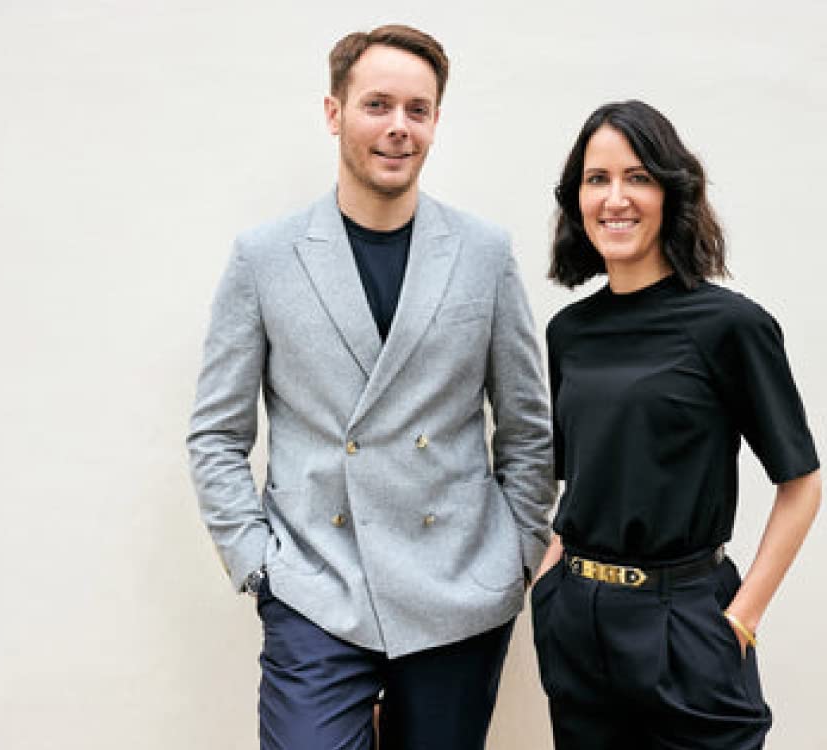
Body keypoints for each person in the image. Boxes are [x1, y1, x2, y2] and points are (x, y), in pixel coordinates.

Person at [188, 24, 555, 750]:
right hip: (316, 585)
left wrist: (516, 551)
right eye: (377, 104)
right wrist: (258, 566)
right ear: (335, 113)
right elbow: (216, 434)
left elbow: (527, 426)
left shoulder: (483, 253)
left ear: (436, 122)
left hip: (459, 587)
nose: (398, 127)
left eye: (418, 110)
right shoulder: (265, 257)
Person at [531, 99, 821, 750]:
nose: (615, 198)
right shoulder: (568, 333)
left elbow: (802, 484)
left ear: (671, 191)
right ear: (577, 200)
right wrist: (549, 586)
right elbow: (575, 479)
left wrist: (740, 620)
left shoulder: (731, 327)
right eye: (597, 179)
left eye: (637, 177)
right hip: (577, 622)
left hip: (684, 620)